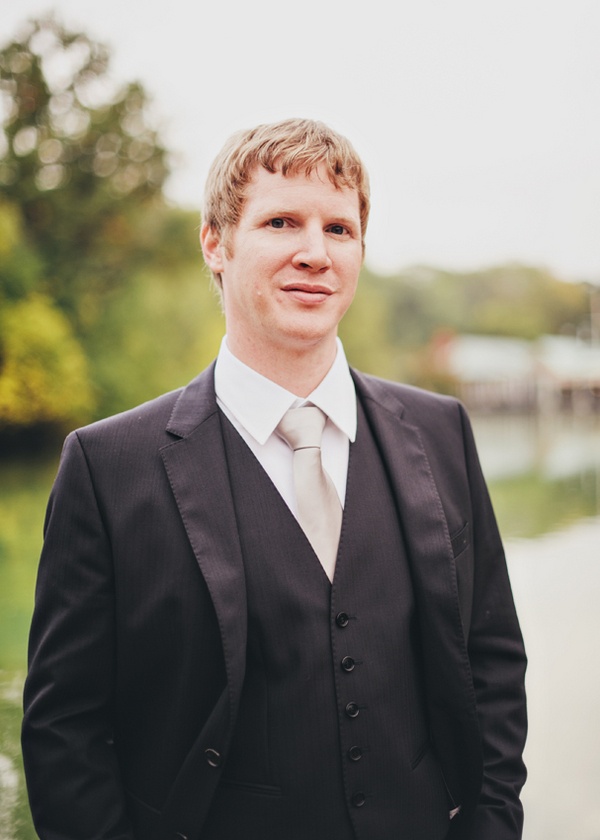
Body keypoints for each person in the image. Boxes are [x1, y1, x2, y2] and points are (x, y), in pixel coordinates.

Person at [22, 117, 527, 840]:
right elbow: (65, 733)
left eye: (340, 229)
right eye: (282, 221)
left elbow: (493, 666)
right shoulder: (107, 467)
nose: (315, 254)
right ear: (215, 243)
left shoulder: (441, 431)